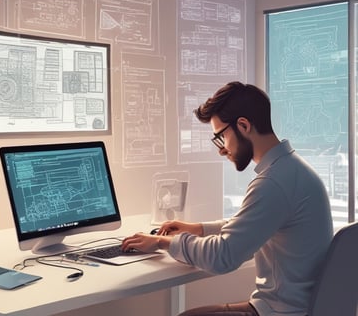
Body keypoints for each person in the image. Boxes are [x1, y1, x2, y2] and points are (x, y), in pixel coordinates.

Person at [121, 81, 333, 316]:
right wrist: (198, 229)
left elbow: (223, 256)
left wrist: (163, 242)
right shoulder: (292, 169)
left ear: (243, 125)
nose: (221, 149)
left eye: (221, 137)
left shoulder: (273, 183)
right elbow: (251, 227)